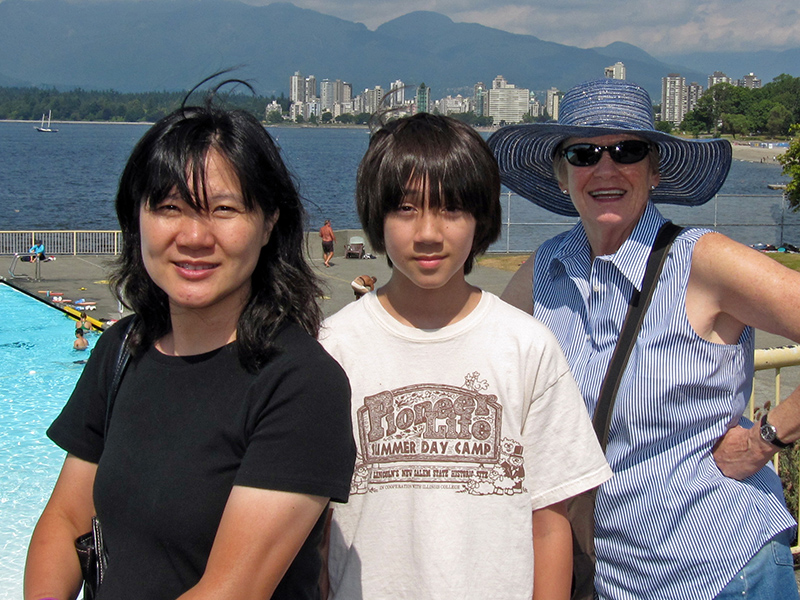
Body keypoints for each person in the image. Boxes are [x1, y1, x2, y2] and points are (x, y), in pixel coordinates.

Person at [24, 82, 356, 600]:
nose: (195, 237)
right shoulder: (122, 350)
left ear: (269, 222)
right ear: (137, 219)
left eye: (224, 210)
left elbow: (231, 590)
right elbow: (66, 520)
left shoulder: (300, 384)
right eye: (170, 208)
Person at [489, 78, 800, 600]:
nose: (605, 168)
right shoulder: (547, 269)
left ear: (654, 170)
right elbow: (475, 358)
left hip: (721, 570)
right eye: (584, 153)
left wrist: (761, 441)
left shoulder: (702, 261)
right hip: (608, 577)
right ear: (562, 175)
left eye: (628, 151)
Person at [319, 113, 612, 599]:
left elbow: (550, 523)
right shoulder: (333, 348)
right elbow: (319, 524)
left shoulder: (527, 347)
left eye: (452, 209)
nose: (428, 233)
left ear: (481, 219)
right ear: (376, 216)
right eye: (406, 209)